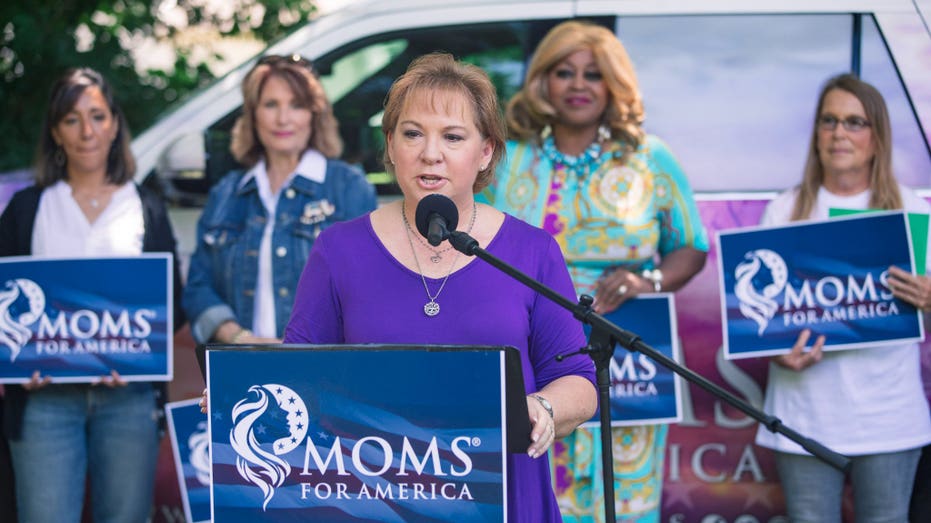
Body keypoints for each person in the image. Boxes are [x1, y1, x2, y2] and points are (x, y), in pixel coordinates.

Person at [282, 53, 598, 522]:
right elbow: (295, 374)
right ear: (390, 145)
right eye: (412, 134)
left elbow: (579, 382)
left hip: (503, 497)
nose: (431, 153)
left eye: (452, 137)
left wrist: (543, 408)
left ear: (485, 151)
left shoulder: (532, 251)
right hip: (377, 500)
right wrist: (239, 389)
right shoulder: (338, 250)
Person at [480, 21, 708, 521]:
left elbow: (690, 247)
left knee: (622, 497)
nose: (578, 85)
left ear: (613, 84)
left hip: (625, 360)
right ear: (542, 80)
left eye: (594, 73)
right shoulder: (509, 159)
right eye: (564, 72)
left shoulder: (649, 158)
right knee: (533, 486)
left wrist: (646, 281)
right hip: (531, 356)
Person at [0, 67, 184, 522]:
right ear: (55, 133)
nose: (87, 132)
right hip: (43, 400)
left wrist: (137, 353)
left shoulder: (145, 206)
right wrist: (15, 360)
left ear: (115, 124)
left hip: (128, 399)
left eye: (98, 116)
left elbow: (171, 304)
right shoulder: (27, 209)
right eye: (72, 119)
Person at [753, 73, 931, 522]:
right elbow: (761, 319)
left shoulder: (912, 210)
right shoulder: (785, 210)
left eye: (855, 122)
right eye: (829, 120)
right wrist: (776, 352)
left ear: (877, 135)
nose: (839, 133)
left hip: (889, 417)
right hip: (804, 414)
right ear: (816, 132)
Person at [183, 54, 376, 346]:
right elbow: (198, 286)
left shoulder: (349, 188)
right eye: (271, 104)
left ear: (314, 113)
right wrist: (238, 337)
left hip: (321, 366)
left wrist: (297, 348)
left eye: (296, 105)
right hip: (242, 364)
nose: (283, 119)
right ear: (253, 114)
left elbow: (369, 291)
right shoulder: (226, 193)